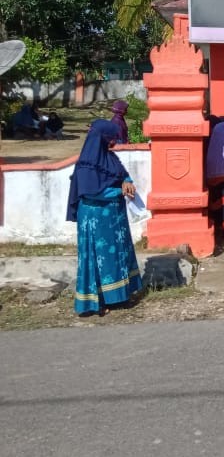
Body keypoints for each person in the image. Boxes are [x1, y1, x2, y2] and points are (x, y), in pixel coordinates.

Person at [67, 120, 143, 316]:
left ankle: (119, 296)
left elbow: (122, 174)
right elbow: (91, 192)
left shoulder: (110, 158)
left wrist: (127, 182)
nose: (113, 143)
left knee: (118, 254)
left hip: (115, 218)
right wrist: (119, 190)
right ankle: (97, 301)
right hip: (95, 219)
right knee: (99, 258)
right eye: (110, 139)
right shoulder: (86, 165)